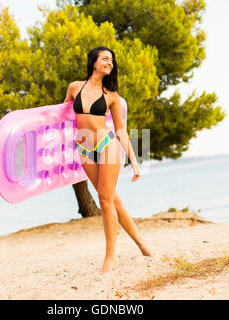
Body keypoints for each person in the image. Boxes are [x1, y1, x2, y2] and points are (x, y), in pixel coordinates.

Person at [63, 46, 152, 274]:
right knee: (113, 199)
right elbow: (62, 118)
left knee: (104, 200)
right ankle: (141, 243)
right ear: (93, 61)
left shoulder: (111, 95)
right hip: (84, 150)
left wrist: (134, 160)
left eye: (111, 60)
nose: (109, 63)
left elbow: (121, 131)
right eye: (105, 58)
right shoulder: (74, 88)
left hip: (107, 145)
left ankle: (110, 257)